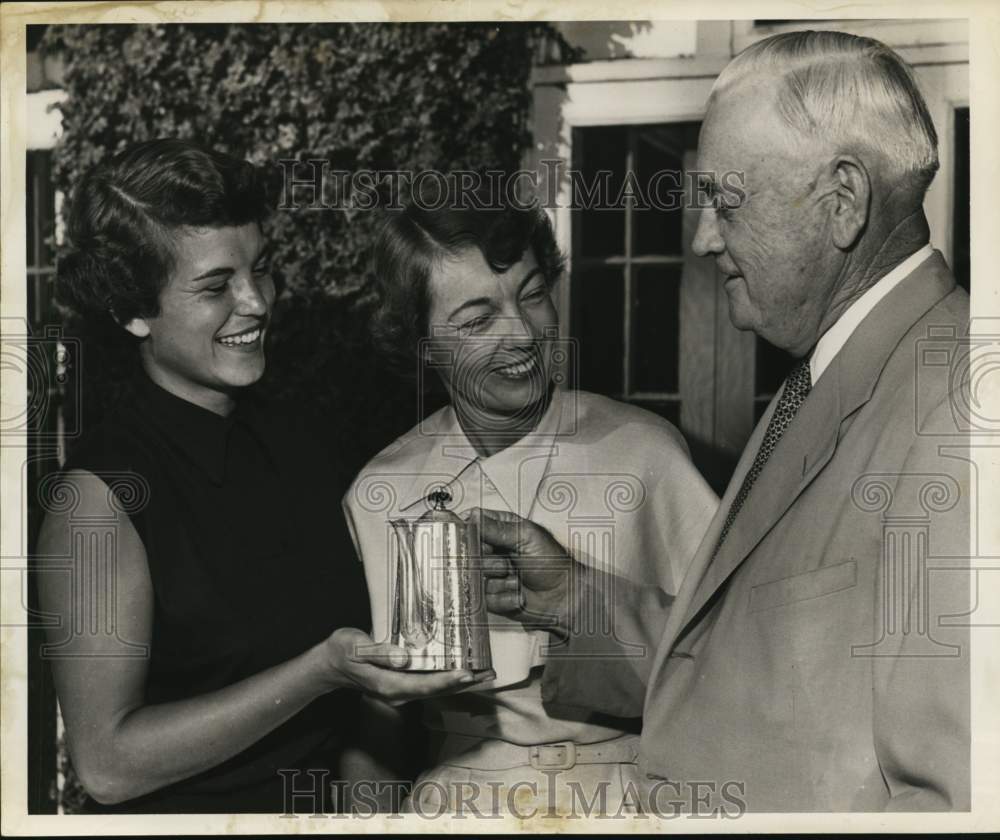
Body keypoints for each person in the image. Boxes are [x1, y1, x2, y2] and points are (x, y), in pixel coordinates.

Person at [474, 30, 971, 813]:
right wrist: (570, 599)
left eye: (726, 203)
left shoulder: (962, 415)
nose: (704, 238)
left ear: (842, 201)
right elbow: (751, 673)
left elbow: (956, 801)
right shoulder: (818, 378)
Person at [35, 139, 494, 814]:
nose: (256, 302)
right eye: (216, 286)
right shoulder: (97, 500)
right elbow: (107, 765)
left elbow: (364, 714)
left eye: (262, 269)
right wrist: (317, 674)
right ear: (132, 310)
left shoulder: (301, 442)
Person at [343, 184, 718, 815]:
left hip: (625, 797)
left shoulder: (645, 453)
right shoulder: (382, 489)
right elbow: (378, 718)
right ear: (424, 344)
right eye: (477, 317)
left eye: (534, 294)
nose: (522, 333)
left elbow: (729, 660)